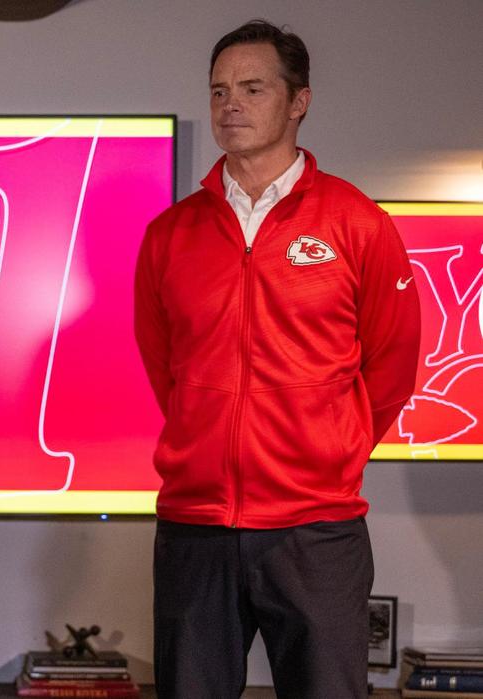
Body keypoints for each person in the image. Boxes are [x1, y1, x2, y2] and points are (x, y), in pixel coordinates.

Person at [134, 20, 421, 698]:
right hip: (194, 529)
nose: (230, 104)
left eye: (253, 88)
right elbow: (163, 366)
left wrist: (332, 446)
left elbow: (394, 361)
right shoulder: (169, 235)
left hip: (315, 531)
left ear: (299, 101)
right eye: (219, 90)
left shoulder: (357, 223)